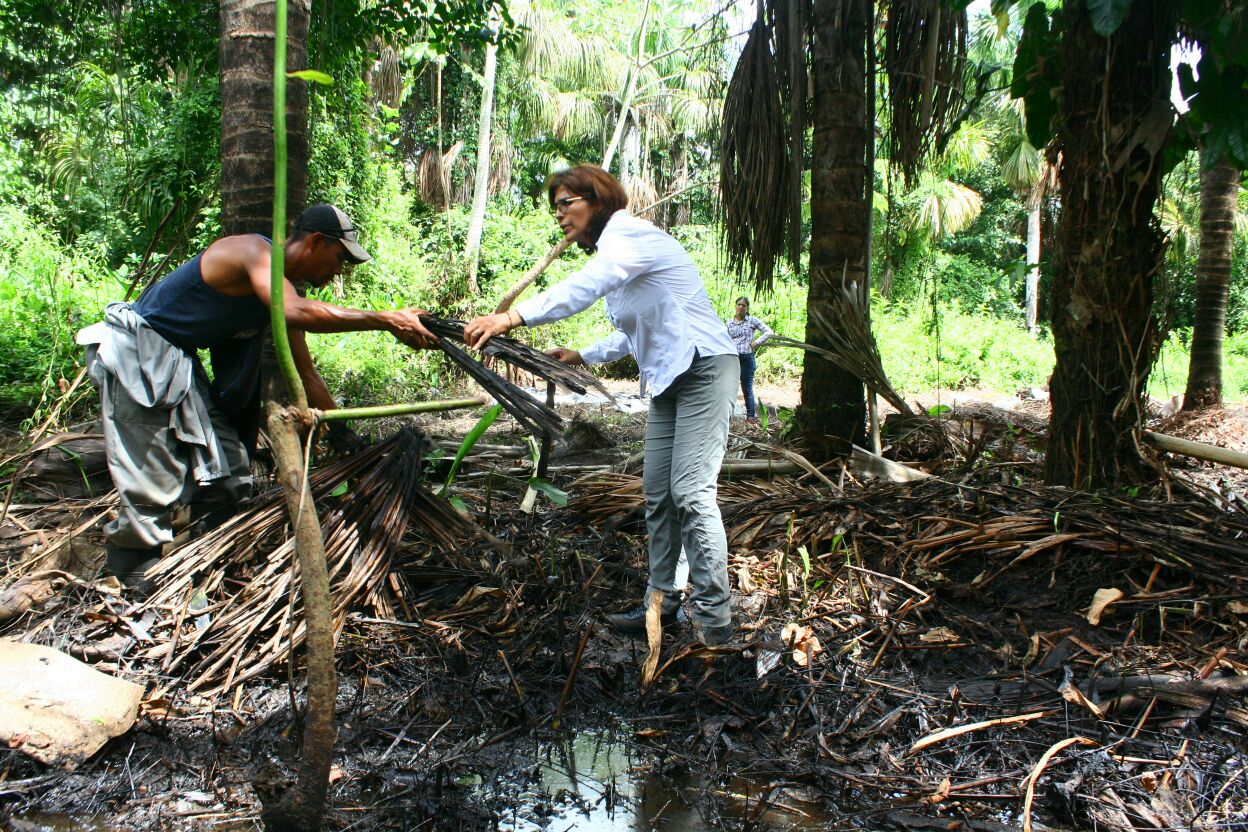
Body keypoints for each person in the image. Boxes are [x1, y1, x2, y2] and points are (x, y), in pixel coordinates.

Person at [77, 203, 436, 589]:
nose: (338, 272)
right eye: (338, 259)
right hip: (138, 350)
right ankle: (131, 584)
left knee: (230, 470)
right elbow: (298, 312)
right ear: (316, 241)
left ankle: (197, 566)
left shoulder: (283, 292)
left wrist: (344, 435)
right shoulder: (253, 252)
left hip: (178, 361)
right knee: (150, 480)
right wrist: (385, 318)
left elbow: (306, 371)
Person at [462, 165, 739, 645]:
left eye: (567, 203)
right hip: (669, 379)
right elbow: (633, 330)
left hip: (704, 368)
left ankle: (716, 625)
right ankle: (661, 606)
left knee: (691, 493)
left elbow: (585, 285)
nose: (560, 216)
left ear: (598, 200)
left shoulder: (629, 235)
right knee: (658, 496)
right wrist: (582, 355)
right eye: (556, 208)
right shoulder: (618, 254)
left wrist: (513, 316)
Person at [725, 296, 774, 422]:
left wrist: (756, 342)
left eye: (744, 305)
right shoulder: (729, 323)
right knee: (730, 386)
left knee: (746, 387)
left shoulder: (752, 320)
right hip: (732, 358)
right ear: (735, 306)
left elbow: (769, 332)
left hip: (747, 358)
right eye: (739, 304)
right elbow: (724, 339)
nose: (741, 307)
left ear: (747, 308)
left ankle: (750, 416)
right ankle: (727, 415)